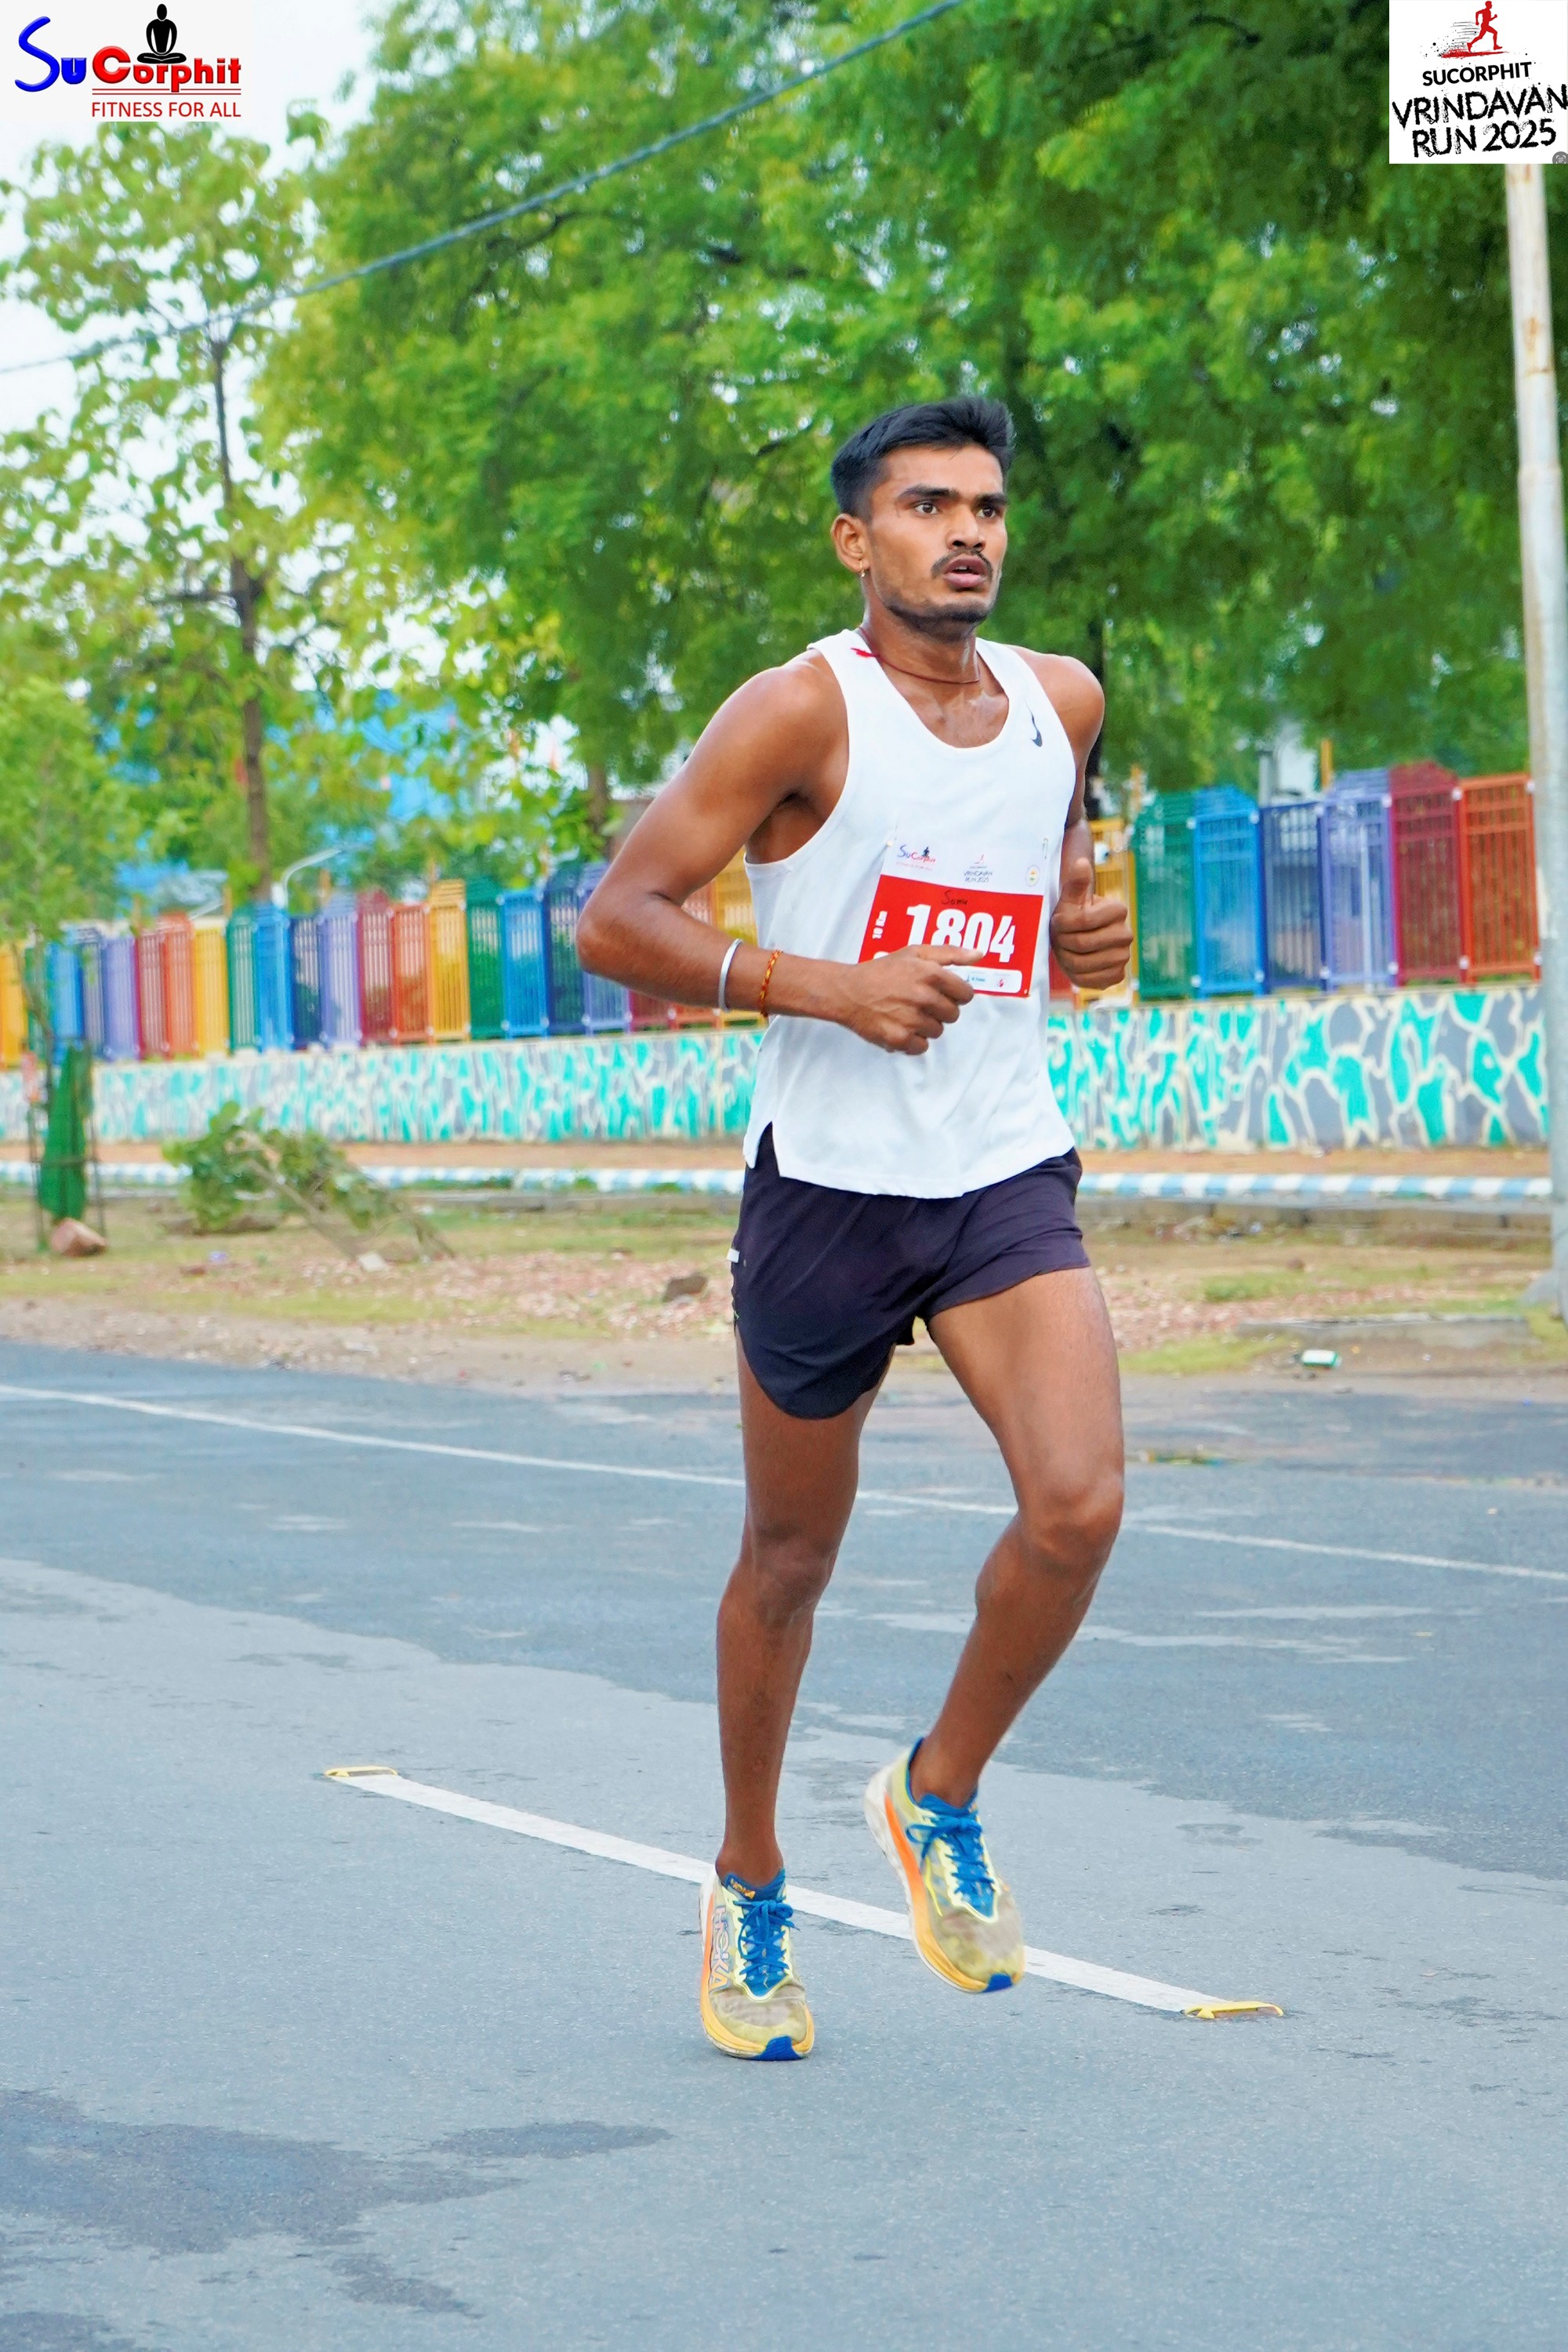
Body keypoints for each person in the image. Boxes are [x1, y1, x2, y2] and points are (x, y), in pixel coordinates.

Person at [577, 395, 1133, 2060]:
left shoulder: (1062, 701)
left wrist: (1090, 933)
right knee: (790, 1561)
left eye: (985, 508)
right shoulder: (798, 711)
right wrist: (826, 986)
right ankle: (749, 1879)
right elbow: (618, 918)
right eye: (925, 506)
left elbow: (1058, 873)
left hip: (999, 1173)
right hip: (826, 1191)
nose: (965, 532)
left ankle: (934, 1791)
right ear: (856, 538)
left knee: (1080, 1506)